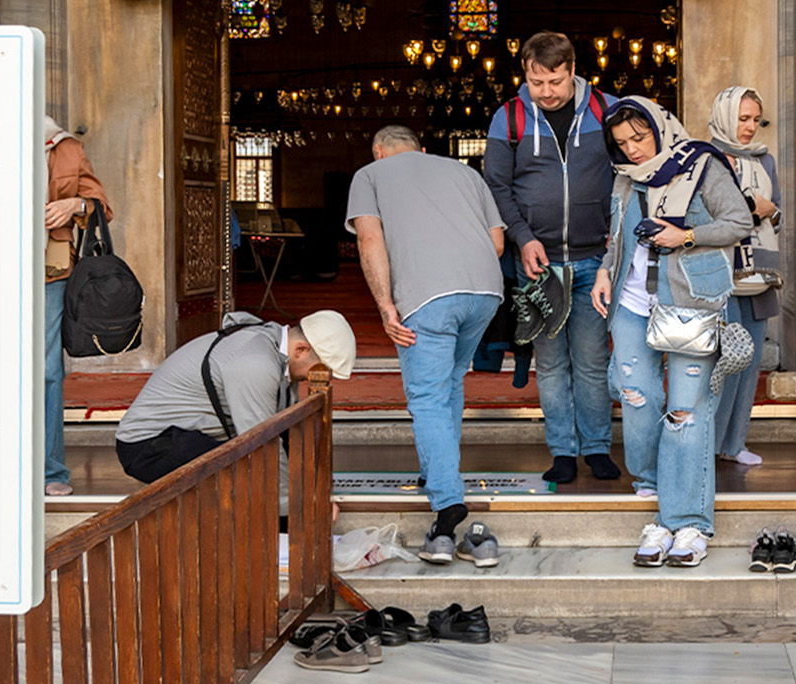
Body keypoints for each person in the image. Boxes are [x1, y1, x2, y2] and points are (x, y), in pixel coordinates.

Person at [589, 97, 751, 568]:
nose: (634, 150)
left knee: (686, 410)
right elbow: (617, 237)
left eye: (639, 138)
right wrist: (605, 271)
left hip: (689, 301)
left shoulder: (700, 164)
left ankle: (689, 521)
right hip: (632, 301)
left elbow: (739, 221)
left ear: (660, 128)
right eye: (622, 143)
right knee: (637, 396)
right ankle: (655, 489)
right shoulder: (624, 176)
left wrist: (686, 236)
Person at [347, 125, 507, 565]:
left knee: (428, 397)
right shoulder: (465, 173)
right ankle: (437, 471)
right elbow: (496, 242)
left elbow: (369, 238)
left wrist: (384, 306)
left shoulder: (369, 175)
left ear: (379, 151)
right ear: (421, 148)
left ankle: (447, 502)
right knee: (450, 384)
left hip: (427, 297)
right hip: (486, 292)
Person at [484, 31, 619, 486]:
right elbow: (496, 188)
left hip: (593, 260)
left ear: (573, 70)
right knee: (552, 363)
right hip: (538, 266)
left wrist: (614, 244)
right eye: (536, 82)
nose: (545, 92)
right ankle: (563, 450)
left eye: (554, 82)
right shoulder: (509, 119)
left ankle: (597, 447)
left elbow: (631, 175)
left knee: (592, 359)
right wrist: (522, 238)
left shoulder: (609, 110)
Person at [115, 309, 356, 486]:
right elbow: (263, 445)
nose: (317, 378)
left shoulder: (274, 349)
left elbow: (285, 435)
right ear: (300, 350)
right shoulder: (256, 362)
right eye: (318, 369)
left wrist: (314, 487)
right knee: (247, 475)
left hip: (188, 436)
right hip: (149, 446)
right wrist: (296, 509)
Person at [708, 86, 781, 468]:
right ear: (725, 115)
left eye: (756, 119)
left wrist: (769, 212)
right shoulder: (704, 160)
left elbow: (778, 212)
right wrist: (751, 214)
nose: (751, 127)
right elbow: (702, 217)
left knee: (751, 359)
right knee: (725, 360)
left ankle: (734, 443)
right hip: (719, 272)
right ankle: (708, 441)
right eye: (743, 118)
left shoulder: (764, 161)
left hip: (758, 271)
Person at [42, 115, 111, 496]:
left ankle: (52, 471)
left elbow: (101, 205)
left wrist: (74, 205)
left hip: (49, 270)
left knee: (49, 369)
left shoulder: (65, 145)